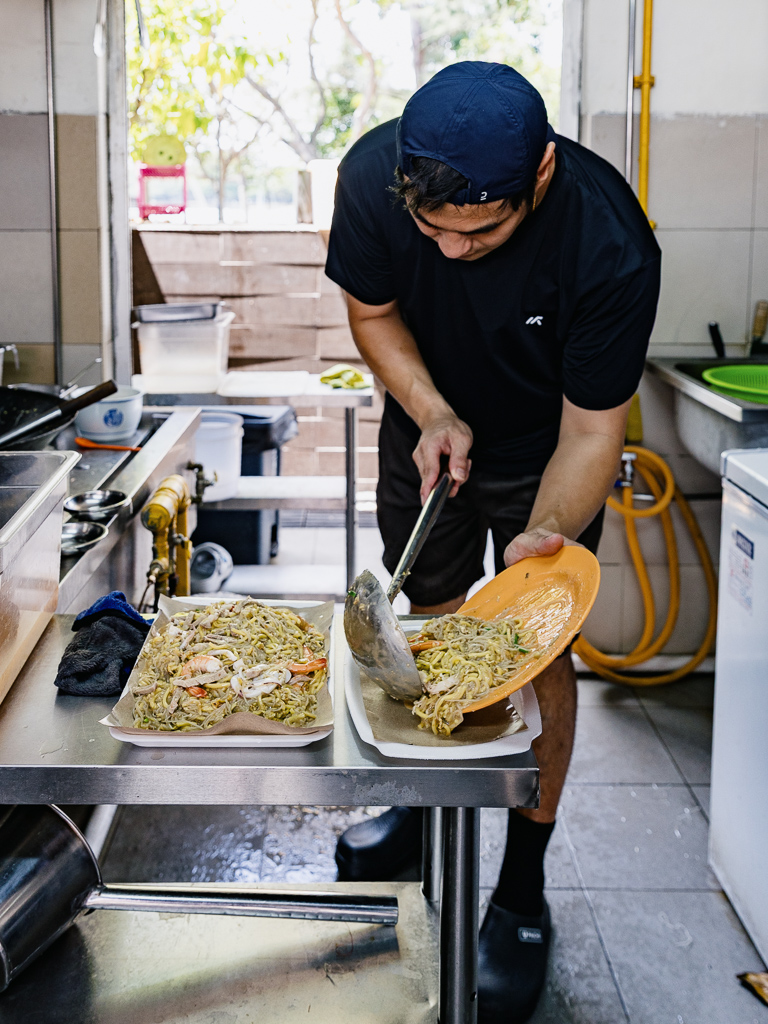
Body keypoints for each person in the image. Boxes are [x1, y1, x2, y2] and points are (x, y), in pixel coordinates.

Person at [325, 61, 661, 1023]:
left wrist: (544, 536)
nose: (454, 249)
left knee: (527, 650)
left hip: (548, 448)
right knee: (424, 626)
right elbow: (374, 310)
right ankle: (424, 810)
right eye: (433, 230)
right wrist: (429, 411)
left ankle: (520, 885)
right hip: (427, 427)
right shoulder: (369, 177)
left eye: (481, 228)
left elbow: (595, 429)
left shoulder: (609, 239)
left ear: (541, 177)